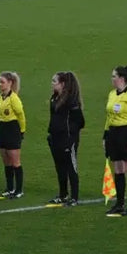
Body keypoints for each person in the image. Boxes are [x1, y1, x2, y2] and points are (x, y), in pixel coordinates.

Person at [104, 64, 127, 216]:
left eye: (114, 76)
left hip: (126, 133)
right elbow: (109, 116)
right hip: (113, 133)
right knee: (118, 169)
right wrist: (105, 135)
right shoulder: (112, 94)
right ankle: (119, 204)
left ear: (122, 78)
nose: (112, 79)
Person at [46, 71, 85, 206]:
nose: (52, 84)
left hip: (68, 140)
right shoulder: (54, 98)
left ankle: (74, 197)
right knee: (60, 168)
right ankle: (63, 195)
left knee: (71, 168)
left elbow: (80, 122)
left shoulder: (71, 101)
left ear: (62, 84)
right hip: (55, 138)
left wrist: (71, 138)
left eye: (54, 81)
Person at [0, 71, 27, 198]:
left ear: (10, 83)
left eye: (2, 82)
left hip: (12, 128)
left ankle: (18, 190)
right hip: (2, 128)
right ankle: (9, 188)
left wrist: (22, 131)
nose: (0, 84)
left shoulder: (14, 98)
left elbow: (21, 115)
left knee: (15, 161)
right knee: (6, 161)